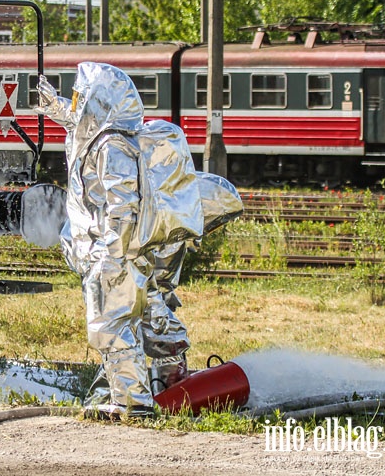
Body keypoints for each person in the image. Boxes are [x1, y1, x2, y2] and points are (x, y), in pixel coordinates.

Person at [37, 61, 241, 416]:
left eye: (78, 98)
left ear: (97, 101)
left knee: (112, 324)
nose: (76, 104)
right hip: (135, 250)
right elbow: (83, 126)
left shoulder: (110, 147)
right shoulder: (109, 138)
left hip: (116, 252)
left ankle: (131, 401)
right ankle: (173, 382)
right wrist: (59, 111)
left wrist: (112, 255)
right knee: (152, 313)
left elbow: (122, 204)